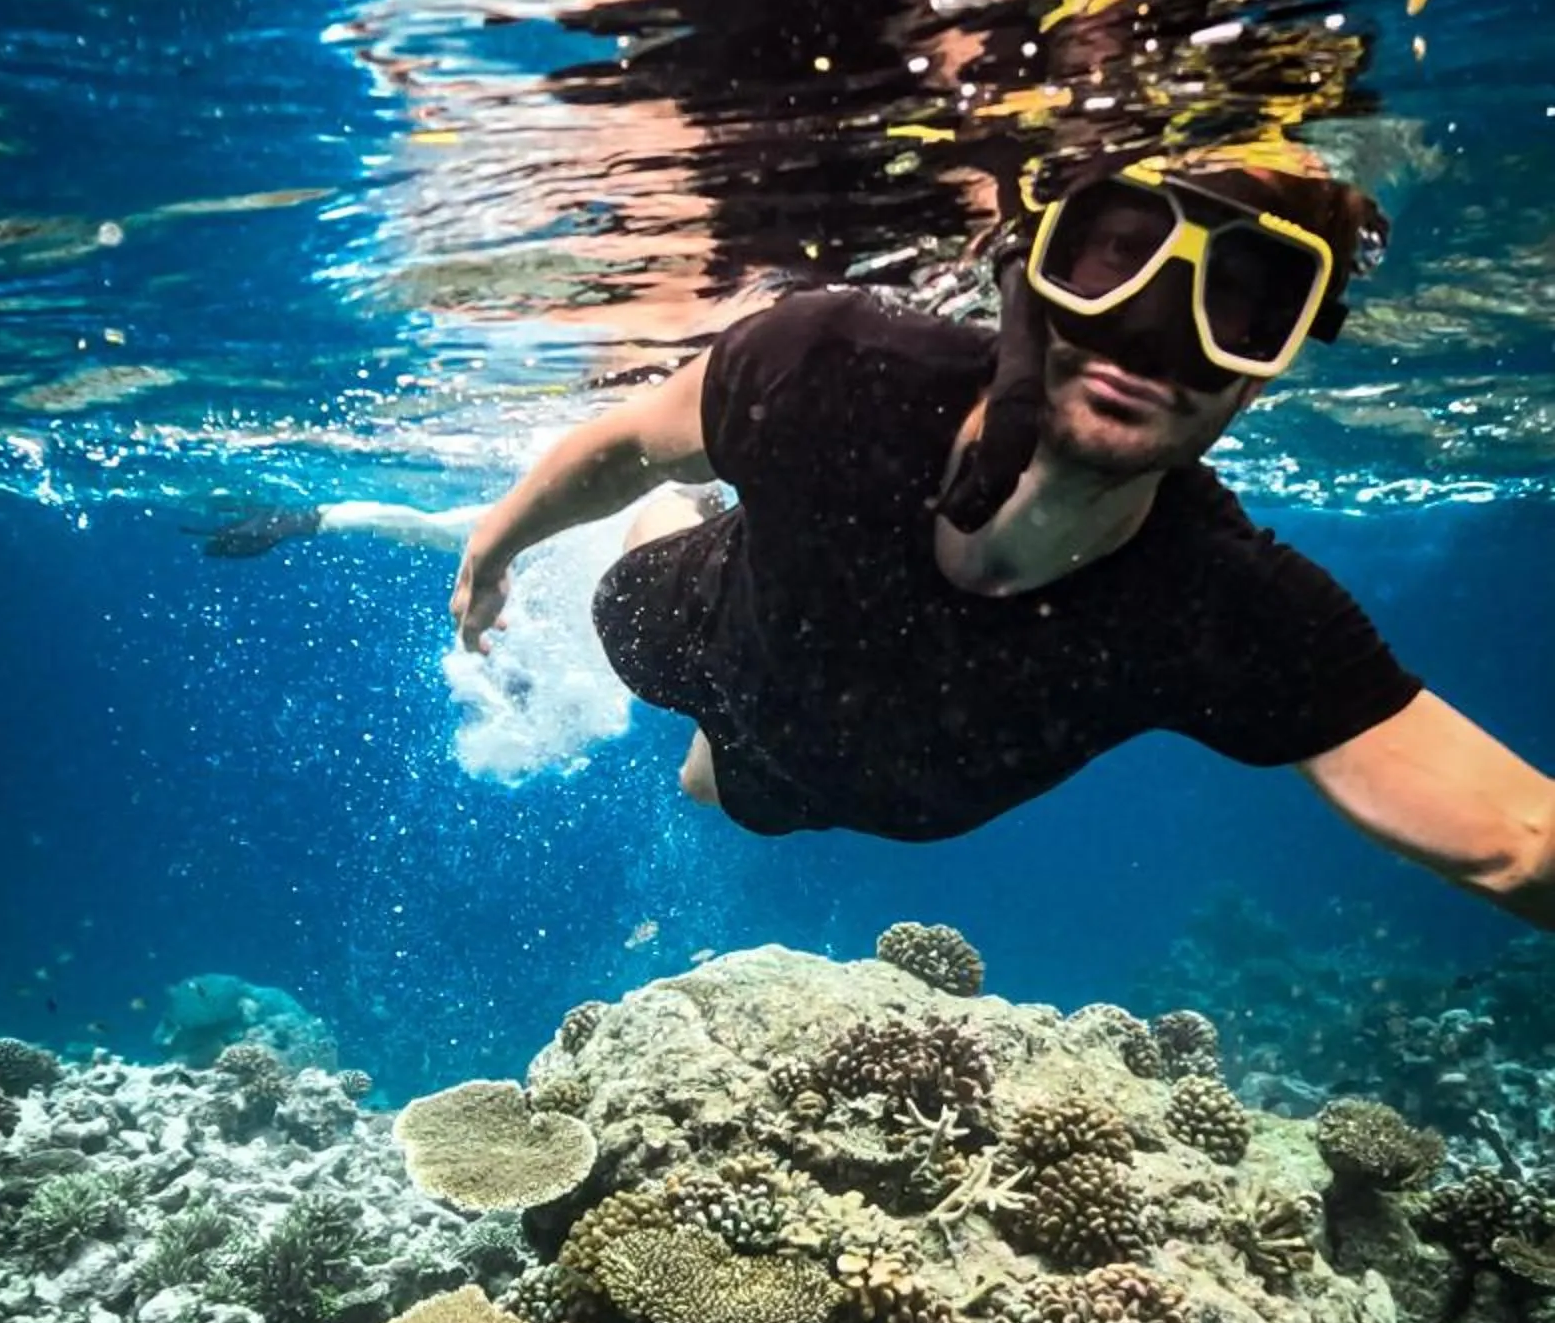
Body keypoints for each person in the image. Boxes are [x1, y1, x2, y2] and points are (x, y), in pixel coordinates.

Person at [440, 150, 1555, 932]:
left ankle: (721, 741)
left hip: (851, 787)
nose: (1153, 333)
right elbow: (636, 443)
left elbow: (1514, 837)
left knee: (721, 794)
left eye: (1243, 301)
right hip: (691, 623)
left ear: (1282, 349)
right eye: (1113, 253)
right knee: (647, 590)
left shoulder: (1226, 605)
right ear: (1027, 266)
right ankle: (696, 540)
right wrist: (497, 544)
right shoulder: (828, 367)